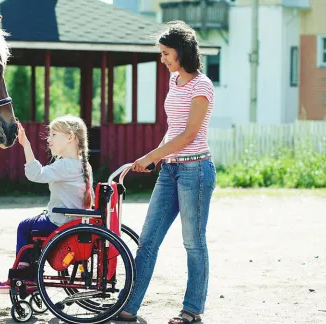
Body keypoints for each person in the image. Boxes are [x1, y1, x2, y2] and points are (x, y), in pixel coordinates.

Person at [116, 20, 216, 323]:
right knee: (148, 240)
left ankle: (192, 310)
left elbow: (188, 135)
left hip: (196, 171)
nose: (162, 59)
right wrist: (156, 158)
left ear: (182, 52)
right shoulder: (175, 82)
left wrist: (150, 155)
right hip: (171, 170)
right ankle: (129, 306)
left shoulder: (202, 85)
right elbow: (173, 129)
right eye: (161, 53)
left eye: (166, 53)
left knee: (193, 241)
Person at [0, 115, 93, 294]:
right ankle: (30, 273)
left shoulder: (67, 165)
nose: (49, 138)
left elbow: (36, 174)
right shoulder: (81, 165)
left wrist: (26, 145)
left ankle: (23, 276)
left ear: (70, 137)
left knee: (25, 226)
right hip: (73, 221)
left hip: (62, 223)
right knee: (34, 224)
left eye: (54, 134)